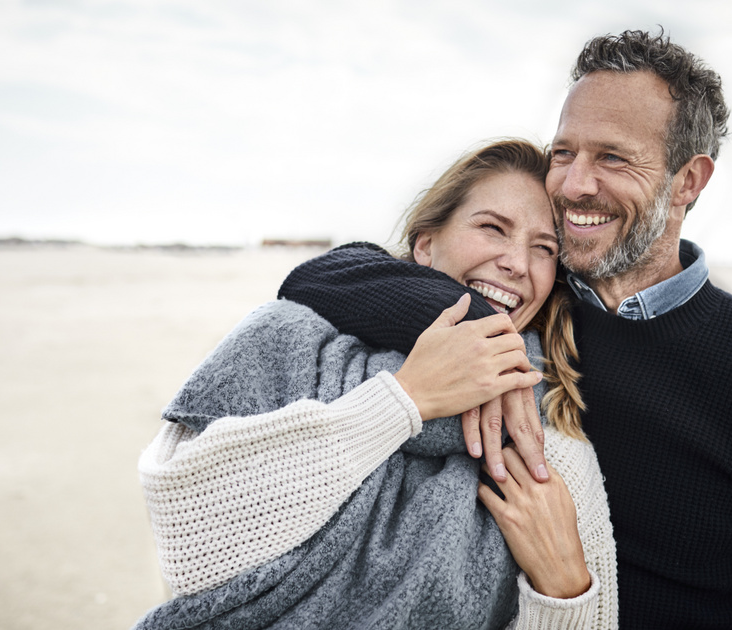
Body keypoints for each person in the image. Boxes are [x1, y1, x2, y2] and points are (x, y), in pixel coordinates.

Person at [280, 29, 732, 629]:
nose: (575, 185)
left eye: (613, 158)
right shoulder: (524, 298)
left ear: (687, 181)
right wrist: (483, 334)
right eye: (564, 153)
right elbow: (322, 277)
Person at [135, 140, 617, 629]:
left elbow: (597, 620)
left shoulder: (545, 428)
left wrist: (564, 591)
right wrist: (403, 400)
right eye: (493, 227)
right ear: (426, 244)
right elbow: (186, 539)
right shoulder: (287, 335)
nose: (517, 262)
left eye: (544, 249)